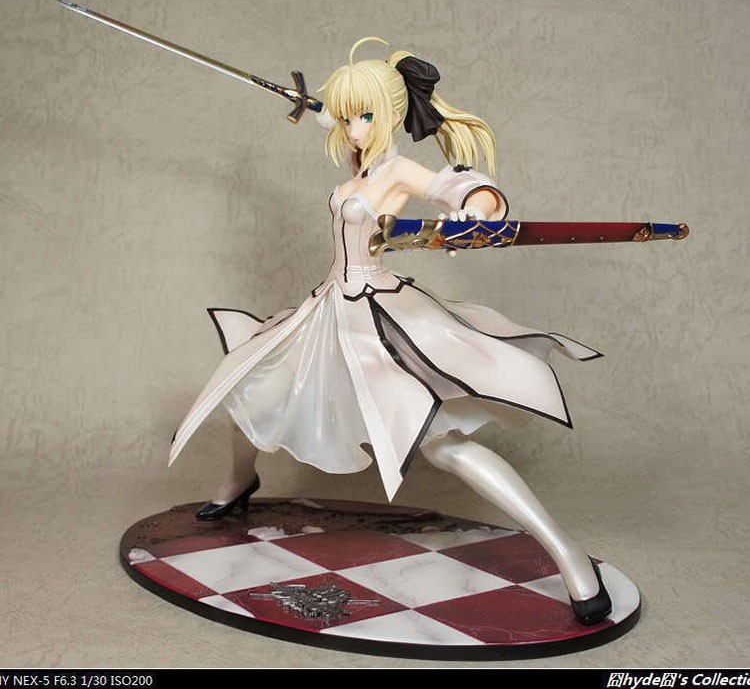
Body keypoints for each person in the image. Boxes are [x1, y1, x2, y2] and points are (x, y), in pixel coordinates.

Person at [169, 37, 612, 625]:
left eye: (366, 116)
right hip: (329, 306)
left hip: (377, 317)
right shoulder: (361, 163)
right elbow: (339, 123)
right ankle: (239, 479)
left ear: (390, 113)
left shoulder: (398, 169)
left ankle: (567, 554)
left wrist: (478, 208)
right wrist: (319, 106)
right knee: (251, 380)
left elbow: (456, 188)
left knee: (441, 443)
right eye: (347, 118)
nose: (353, 129)